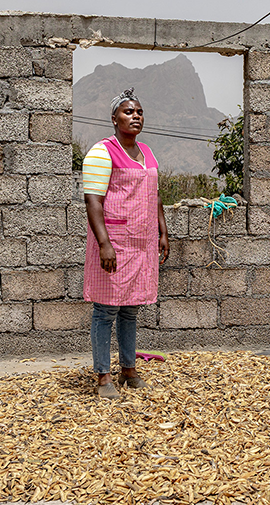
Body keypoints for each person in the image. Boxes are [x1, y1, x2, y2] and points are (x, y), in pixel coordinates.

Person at [82, 88, 169, 399]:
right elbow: (93, 200)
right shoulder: (102, 152)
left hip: (141, 244)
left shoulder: (146, 152)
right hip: (115, 243)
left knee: (131, 310)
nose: (135, 116)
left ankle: (129, 370)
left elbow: (154, 194)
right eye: (129, 112)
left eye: (139, 112)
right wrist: (104, 243)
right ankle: (103, 376)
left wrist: (162, 230)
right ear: (114, 118)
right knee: (106, 310)